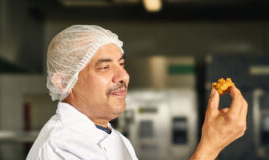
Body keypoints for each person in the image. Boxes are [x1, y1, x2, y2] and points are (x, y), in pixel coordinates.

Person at [26, 25, 248, 160]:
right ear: (64, 82)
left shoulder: (117, 139)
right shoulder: (60, 148)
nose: (124, 76)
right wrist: (210, 146)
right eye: (104, 67)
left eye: (121, 64)